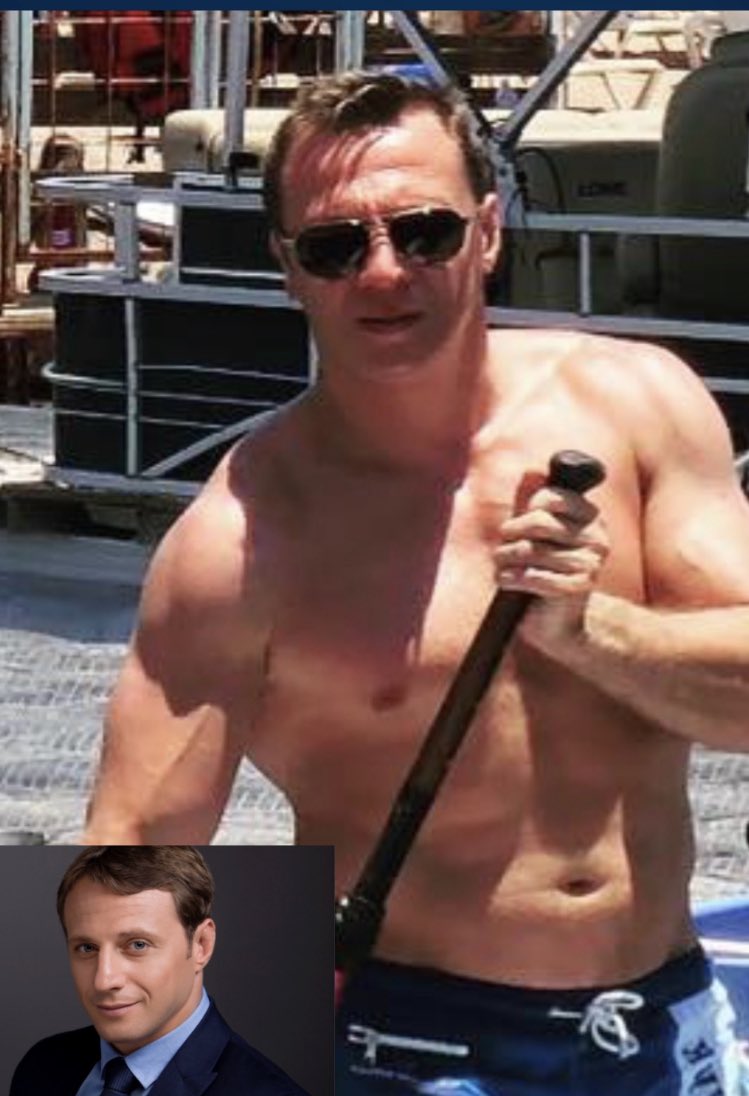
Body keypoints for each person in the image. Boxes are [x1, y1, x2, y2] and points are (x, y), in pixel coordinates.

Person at [84, 70, 749, 1093]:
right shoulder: (245, 538)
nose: (384, 271)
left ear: (486, 232)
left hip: (665, 1030)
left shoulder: (635, 406)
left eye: (423, 231)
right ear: (288, 269)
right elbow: (131, 850)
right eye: (335, 246)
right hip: (409, 1048)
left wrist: (592, 632)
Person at [9, 846, 310, 1095]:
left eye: (137, 945)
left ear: (202, 945)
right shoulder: (41, 1067)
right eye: (87, 948)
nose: (104, 980)